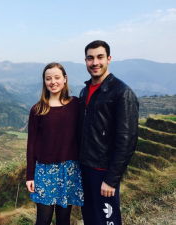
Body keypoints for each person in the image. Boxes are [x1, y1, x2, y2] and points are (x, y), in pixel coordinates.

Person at [78, 40, 139, 225]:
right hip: (85, 169)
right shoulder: (85, 91)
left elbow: (127, 140)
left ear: (109, 59)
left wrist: (112, 179)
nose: (95, 62)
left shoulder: (122, 93)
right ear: (85, 61)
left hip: (103, 172)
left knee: (107, 221)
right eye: (90, 58)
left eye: (99, 57)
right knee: (90, 219)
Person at [26, 62, 84, 225]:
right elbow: (31, 144)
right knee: (43, 219)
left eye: (57, 77)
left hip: (70, 169)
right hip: (45, 171)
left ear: (65, 79)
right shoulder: (38, 110)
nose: (53, 82)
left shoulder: (76, 105)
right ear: (44, 81)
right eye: (48, 78)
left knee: (64, 219)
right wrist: (30, 175)